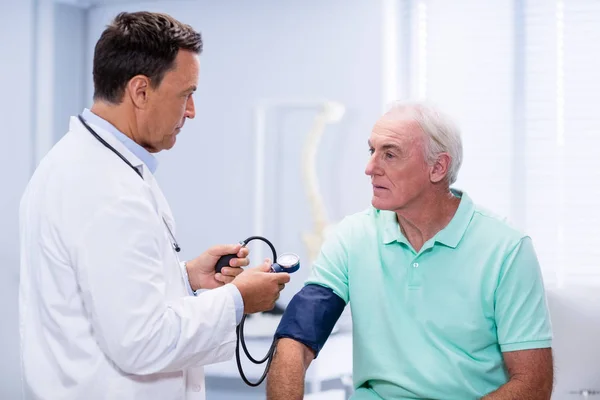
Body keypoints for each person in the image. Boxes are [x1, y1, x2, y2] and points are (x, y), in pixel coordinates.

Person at [19, 11, 290, 400]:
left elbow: (103, 291)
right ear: (140, 91)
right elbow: (141, 341)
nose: (192, 111)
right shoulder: (102, 187)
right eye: (186, 94)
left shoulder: (88, 165)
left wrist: (186, 278)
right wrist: (238, 300)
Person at [266, 102, 554, 399]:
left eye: (389, 154)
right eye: (372, 151)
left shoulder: (507, 249)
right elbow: (296, 338)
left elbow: (533, 384)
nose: (370, 168)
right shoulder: (351, 237)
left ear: (438, 167)